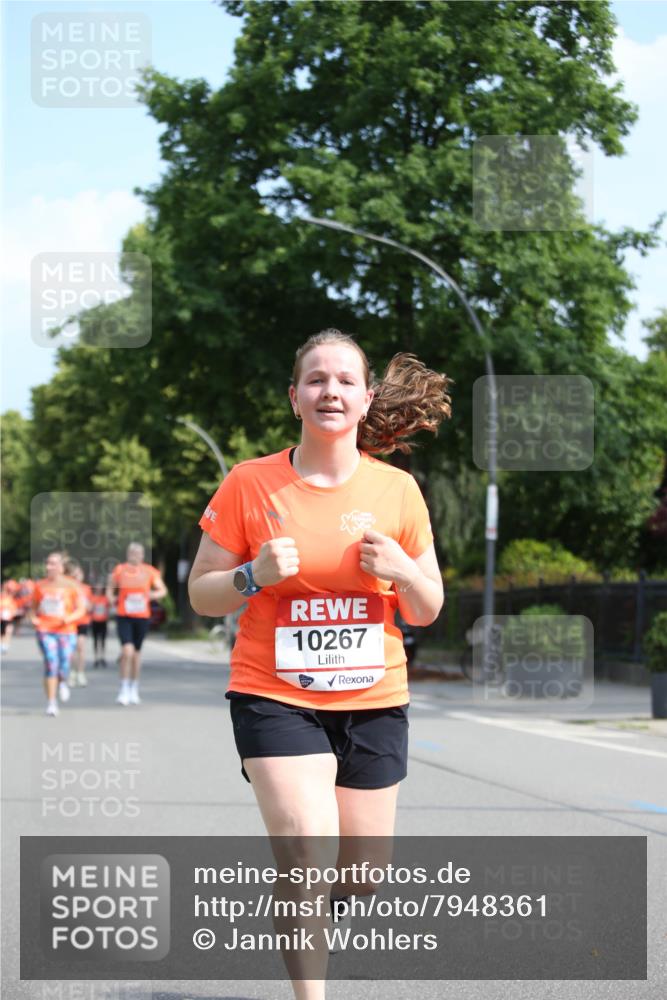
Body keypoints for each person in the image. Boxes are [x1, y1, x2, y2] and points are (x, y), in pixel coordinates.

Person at [189, 329, 451, 1000]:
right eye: (314, 379)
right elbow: (200, 594)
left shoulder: (397, 491)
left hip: (372, 700)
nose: (328, 390)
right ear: (294, 398)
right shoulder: (250, 483)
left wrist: (398, 570)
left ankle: (297, 910)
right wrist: (252, 574)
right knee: (307, 850)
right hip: (273, 696)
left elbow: (426, 608)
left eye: (342, 380)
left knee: (361, 873)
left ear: (365, 399)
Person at [107, 543, 167, 706]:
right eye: (132, 552)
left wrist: (151, 594)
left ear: (142, 555)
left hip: (141, 616)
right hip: (124, 615)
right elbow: (110, 589)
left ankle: (134, 688)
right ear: (127, 554)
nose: (134, 555)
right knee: (127, 651)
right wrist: (111, 597)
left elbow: (162, 590)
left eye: (138, 553)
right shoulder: (120, 570)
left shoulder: (149, 571)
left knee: (137, 654)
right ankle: (124, 688)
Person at [30, 552, 86, 716]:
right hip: (45, 630)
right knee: (51, 662)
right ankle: (52, 702)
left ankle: (62, 681)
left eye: (53, 564)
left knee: (64, 664)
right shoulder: (40, 586)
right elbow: (33, 609)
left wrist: (69, 618)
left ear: (61, 567)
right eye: (47, 563)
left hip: (66, 631)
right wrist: (34, 619)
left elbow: (81, 608)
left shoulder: (72, 585)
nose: (49, 567)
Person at [65, 560, 92, 688]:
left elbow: (91, 606)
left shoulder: (86, 589)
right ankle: (72, 673)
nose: (77, 577)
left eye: (79, 574)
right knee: (72, 648)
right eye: (74, 575)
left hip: (83, 621)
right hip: (71, 621)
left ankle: (80, 672)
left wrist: (87, 605)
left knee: (80, 646)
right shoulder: (67, 589)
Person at [90, 584, 110, 667]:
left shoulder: (105, 598)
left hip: (103, 621)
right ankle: (96, 658)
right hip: (94, 621)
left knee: (103, 640)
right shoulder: (92, 598)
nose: (99, 588)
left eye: (100, 587)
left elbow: (108, 609)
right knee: (95, 640)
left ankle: (102, 657)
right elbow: (89, 609)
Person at [1, 584, 18, 654]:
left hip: (9, 619)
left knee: (8, 632)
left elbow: (14, 608)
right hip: (1, 619)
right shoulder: (1, 599)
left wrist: (13, 613)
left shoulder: (10, 599)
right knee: (2, 633)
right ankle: (2, 644)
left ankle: (5, 645)